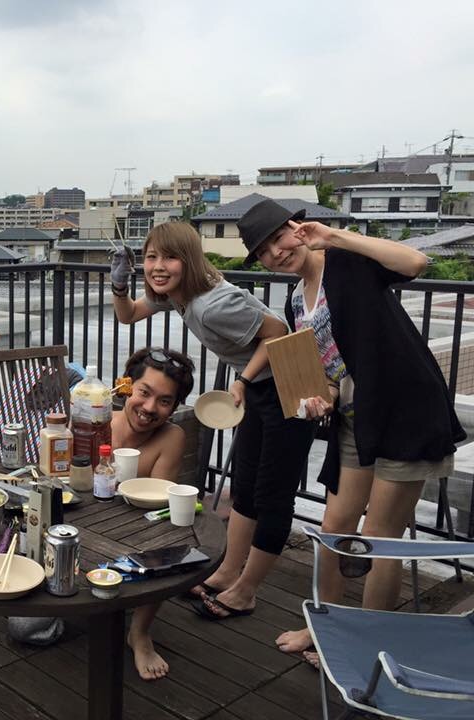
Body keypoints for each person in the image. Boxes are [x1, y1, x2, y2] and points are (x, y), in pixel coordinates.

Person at [240, 198, 466, 660]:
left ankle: (366, 645)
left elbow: (415, 263)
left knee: (379, 538)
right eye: (262, 252)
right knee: (335, 526)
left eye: (278, 239)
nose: (275, 254)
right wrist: (320, 397)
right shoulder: (294, 300)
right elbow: (330, 370)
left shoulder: (345, 261)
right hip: (356, 420)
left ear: (298, 228)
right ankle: (327, 627)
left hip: (405, 413)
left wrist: (334, 236)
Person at [111, 222, 314, 620]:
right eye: (151, 257)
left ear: (188, 260)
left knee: (273, 496)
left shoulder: (212, 305)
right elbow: (129, 314)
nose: (158, 266)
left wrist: (242, 380)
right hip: (261, 388)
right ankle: (226, 573)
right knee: (245, 488)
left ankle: (246, 592)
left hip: (291, 385)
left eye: (169, 257)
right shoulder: (181, 295)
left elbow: (279, 333)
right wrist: (119, 285)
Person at [115, 347, 193, 680]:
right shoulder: (97, 418)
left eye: (164, 401)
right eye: (144, 393)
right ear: (126, 386)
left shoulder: (171, 436)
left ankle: (140, 632)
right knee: (28, 629)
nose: (149, 408)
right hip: (76, 526)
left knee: (170, 537)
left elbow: (158, 500)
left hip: (135, 530)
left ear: (174, 407)